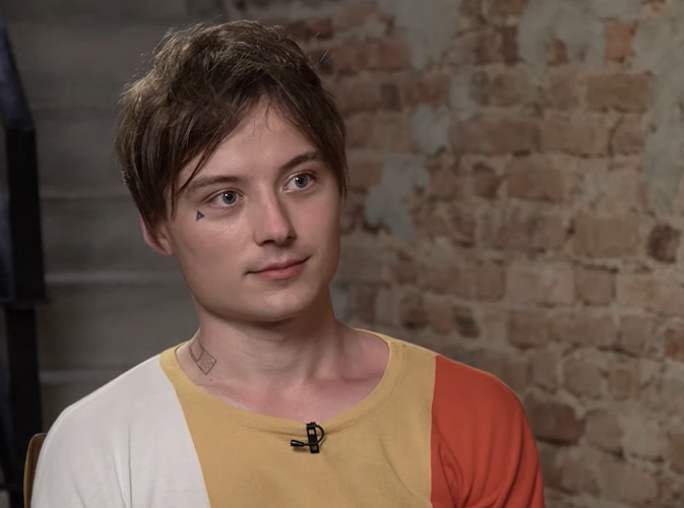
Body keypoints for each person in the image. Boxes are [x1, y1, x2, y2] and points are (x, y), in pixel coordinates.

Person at [31, 20, 545, 508]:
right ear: (157, 228)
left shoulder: (473, 413)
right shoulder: (99, 445)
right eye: (226, 197)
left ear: (341, 186)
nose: (276, 227)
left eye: (300, 181)